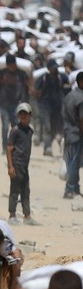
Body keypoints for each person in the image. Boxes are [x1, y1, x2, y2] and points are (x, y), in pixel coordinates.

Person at [0, 54, 30, 152]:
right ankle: (5, 147)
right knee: (5, 127)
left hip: (16, 104)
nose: (12, 67)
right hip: (4, 104)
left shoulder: (21, 74)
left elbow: (29, 83)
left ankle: (15, 146)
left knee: (16, 127)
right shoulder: (2, 73)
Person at [7, 103, 36, 225]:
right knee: (15, 190)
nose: (23, 116)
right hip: (16, 164)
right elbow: (9, 148)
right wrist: (10, 167)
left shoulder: (30, 130)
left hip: (25, 165)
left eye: (25, 114)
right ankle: (12, 215)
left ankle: (27, 216)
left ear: (30, 115)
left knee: (25, 190)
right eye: (21, 114)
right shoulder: (15, 131)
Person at [33, 59, 68, 157]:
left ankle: (47, 147)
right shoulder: (43, 78)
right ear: (49, 69)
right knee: (47, 127)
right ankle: (48, 147)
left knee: (54, 128)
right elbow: (36, 90)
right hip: (45, 106)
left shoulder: (61, 77)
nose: (55, 69)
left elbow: (69, 82)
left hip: (57, 107)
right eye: (53, 68)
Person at [61, 71, 83, 199]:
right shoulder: (81, 98)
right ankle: (70, 189)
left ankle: (75, 188)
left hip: (68, 132)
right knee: (74, 162)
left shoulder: (70, 95)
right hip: (77, 134)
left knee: (72, 160)